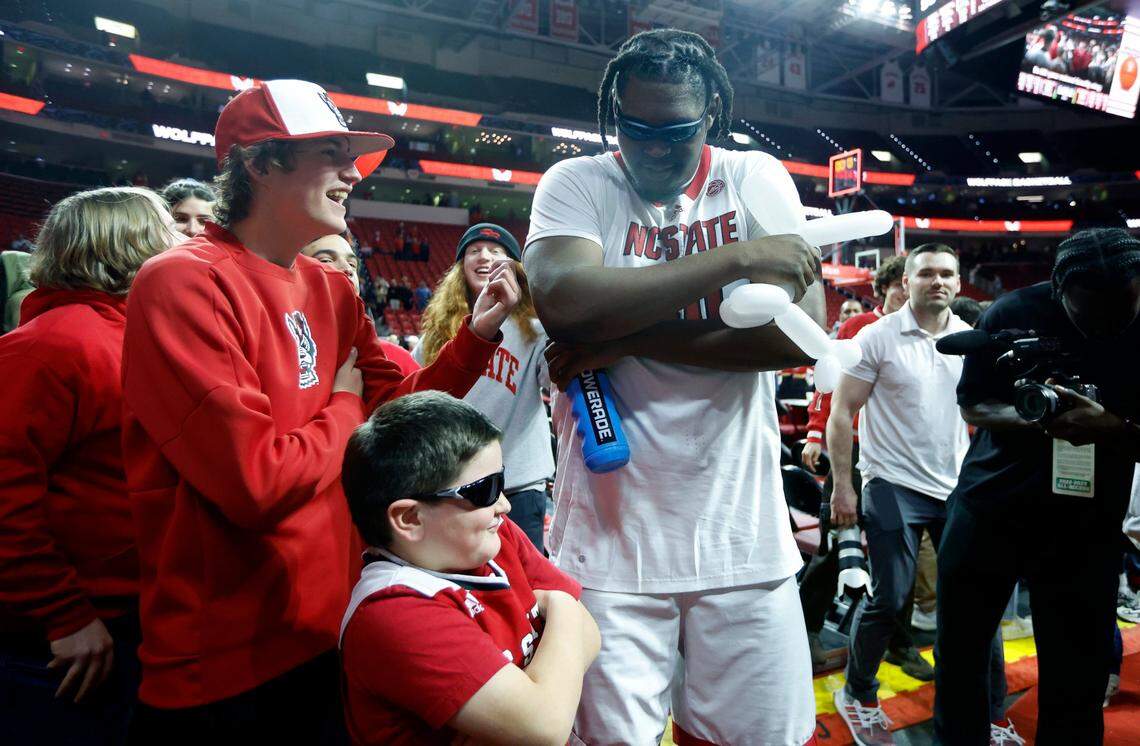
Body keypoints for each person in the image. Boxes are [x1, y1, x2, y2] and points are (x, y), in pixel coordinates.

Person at [121, 79, 520, 743]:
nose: (351, 171)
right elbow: (257, 484)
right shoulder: (182, 281)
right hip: (223, 664)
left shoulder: (330, 289)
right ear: (258, 162)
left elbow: (402, 416)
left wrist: (474, 340)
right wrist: (341, 403)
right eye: (330, 152)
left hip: (328, 631)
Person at [524, 29, 822, 745]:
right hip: (608, 541)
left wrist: (627, 336)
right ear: (613, 116)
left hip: (742, 538)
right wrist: (739, 259)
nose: (653, 147)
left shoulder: (753, 177)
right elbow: (565, 302)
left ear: (712, 114)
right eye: (635, 128)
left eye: (676, 131)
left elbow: (794, 335)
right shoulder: (578, 182)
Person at [935, 228, 1140, 745]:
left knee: (1077, 675)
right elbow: (973, 403)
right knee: (961, 655)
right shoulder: (1009, 313)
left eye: (1125, 308)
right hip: (990, 508)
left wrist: (1111, 427)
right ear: (1057, 289)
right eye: (1090, 312)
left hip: (1085, 525)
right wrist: (1039, 420)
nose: (1109, 325)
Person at [0, 187, 178, 744]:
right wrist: (63, 613)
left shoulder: (132, 336)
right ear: (137, 245)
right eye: (167, 233)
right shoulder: (48, 346)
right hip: (66, 636)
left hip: (128, 616)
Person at [828, 244, 1016, 745]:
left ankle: (992, 715)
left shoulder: (971, 340)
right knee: (889, 597)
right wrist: (844, 487)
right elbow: (842, 414)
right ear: (906, 281)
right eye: (927, 273)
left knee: (979, 603)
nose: (938, 281)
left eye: (947, 273)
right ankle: (859, 692)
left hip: (956, 486)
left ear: (959, 283)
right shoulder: (877, 337)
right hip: (890, 483)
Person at [338, 391, 599, 744]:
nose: (504, 504)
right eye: (485, 490)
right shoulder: (393, 611)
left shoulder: (494, 535)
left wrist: (546, 692)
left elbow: (592, 635)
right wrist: (563, 609)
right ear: (410, 518)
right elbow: (545, 727)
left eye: (501, 481)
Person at [798, 256, 934, 678]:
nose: (902, 294)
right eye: (897, 286)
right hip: (853, 454)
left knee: (902, 553)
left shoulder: (922, 335)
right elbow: (828, 381)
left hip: (897, 458)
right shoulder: (860, 328)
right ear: (887, 288)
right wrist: (816, 433)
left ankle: (897, 641)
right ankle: (806, 630)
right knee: (837, 545)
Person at [415, 224, 553, 551]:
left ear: (515, 269)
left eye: (496, 251)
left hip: (519, 485)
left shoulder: (536, 329)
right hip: (454, 483)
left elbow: (558, 380)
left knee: (525, 590)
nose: (484, 256)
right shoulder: (435, 335)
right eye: (474, 250)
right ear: (460, 268)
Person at [301, 233, 420, 376]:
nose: (347, 269)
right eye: (326, 260)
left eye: (352, 264)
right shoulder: (280, 356)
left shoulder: (397, 360)